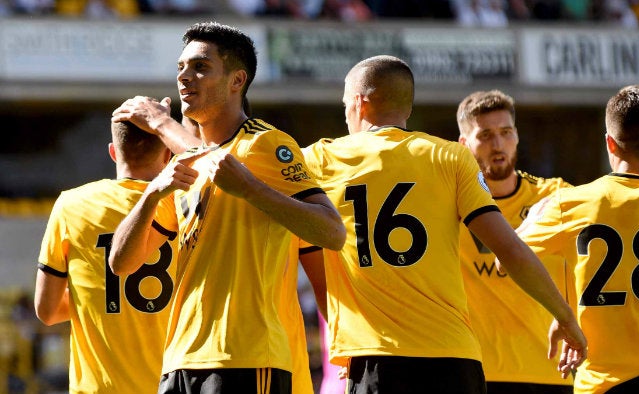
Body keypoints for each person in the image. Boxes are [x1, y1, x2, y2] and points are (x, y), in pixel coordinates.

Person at [299, 55, 587, 394]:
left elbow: (310, 252)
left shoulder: (319, 160)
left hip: (375, 354)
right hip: (453, 358)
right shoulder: (450, 156)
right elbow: (509, 248)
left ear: (359, 104)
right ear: (407, 107)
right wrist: (565, 315)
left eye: (346, 104)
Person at [108, 21, 345, 394]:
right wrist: (151, 194)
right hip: (180, 359)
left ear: (237, 81)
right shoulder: (183, 166)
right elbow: (122, 263)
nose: (185, 77)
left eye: (201, 67)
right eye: (181, 68)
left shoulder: (265, 144)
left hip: (244, 358)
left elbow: (332, 231)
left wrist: (251, 189)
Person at [516, 85, 639, 393]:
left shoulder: (568, 203)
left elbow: (505, 258)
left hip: (602, 382)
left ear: (609, 144)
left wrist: (562, 313)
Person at [34, 118, 174, 393]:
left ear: (113, 152)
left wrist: (99, 296)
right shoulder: (183, 206)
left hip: (98, 387)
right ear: (168, 154)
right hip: (169, 385)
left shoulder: (71, 204)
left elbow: (46, 311)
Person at [456, 90, 574, 393]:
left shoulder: (554, 195)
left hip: (549, 372)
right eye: (485, 135)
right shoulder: (448, 203)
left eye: (506, 133)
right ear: (464, 144)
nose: (498, 145)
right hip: (474, 373)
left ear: (517, 136)